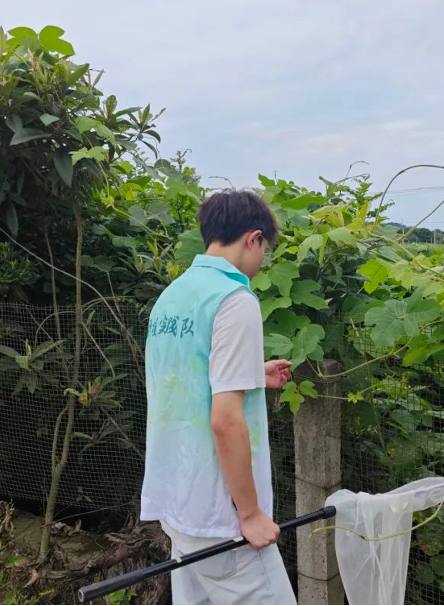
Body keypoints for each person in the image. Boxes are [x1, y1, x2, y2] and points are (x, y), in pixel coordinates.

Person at [140, 189, 296, 605]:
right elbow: (225, 420)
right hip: (223, 518)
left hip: (181, 507)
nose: (263, 260)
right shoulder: (235, 300)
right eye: (265, 249)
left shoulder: (172, 297)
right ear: (253, 238)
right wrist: (250, 514)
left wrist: (252, 375)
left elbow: (184, 383)